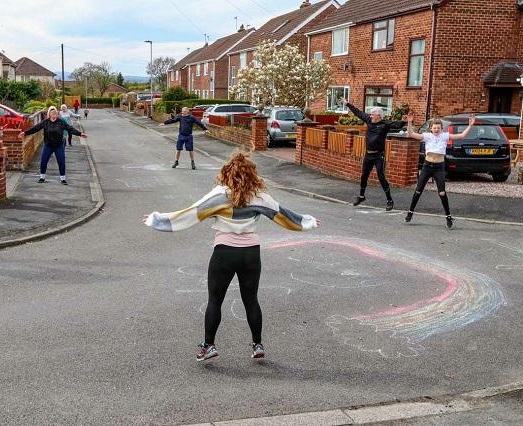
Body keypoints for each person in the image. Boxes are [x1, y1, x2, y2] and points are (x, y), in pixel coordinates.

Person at [143, 151, 321, 362]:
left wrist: (158, 220)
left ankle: (209, 346)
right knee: (251, 300)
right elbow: (283, 214)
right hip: (250, 253)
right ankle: (257, 345)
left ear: (227, 171)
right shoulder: (260, 196)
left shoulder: (219, 194)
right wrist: (306, 222)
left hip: (224, 253)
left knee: (215, 301)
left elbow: (191, 213)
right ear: (252, 174)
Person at [405, 113, 475, 228]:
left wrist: (470, 125)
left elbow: (461, 136)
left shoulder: (445, 136)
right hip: (427, 166)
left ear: (441, 129)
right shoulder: (427, 136)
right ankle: (410, 212)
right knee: (418, 190)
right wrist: (409, 122)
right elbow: (411, 134)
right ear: (431, 129)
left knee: (442, 192)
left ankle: (448, 216)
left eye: (438, 128)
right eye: (434, 127)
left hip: (439, 167)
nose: (436, 129)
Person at [340, 98, 407, 211]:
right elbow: (358, 112)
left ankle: (389, 200)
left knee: (381, 177)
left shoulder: (385, 124)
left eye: (373, 114)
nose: (370, 116)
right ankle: (361, 196)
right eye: (370, 114)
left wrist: (406, 121)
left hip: (378, 156)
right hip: (368, 155)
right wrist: (347, 104)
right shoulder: (368, 120)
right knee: (364, 175)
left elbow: (397, 125)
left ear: (379, 116)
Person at [19, 106, 86, 185]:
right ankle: (42, 177)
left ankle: (63, 178)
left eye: (55, 113)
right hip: (48, 145)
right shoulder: (45, 122)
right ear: (49, 114)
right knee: (43, 161)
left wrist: (80, 134)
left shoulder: (61, 122)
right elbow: (35, 128)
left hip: (59, 145)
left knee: (61, 161)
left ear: (57, 114)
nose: (54, 113)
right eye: (52, 112)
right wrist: (25, 133)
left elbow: (70, 128)